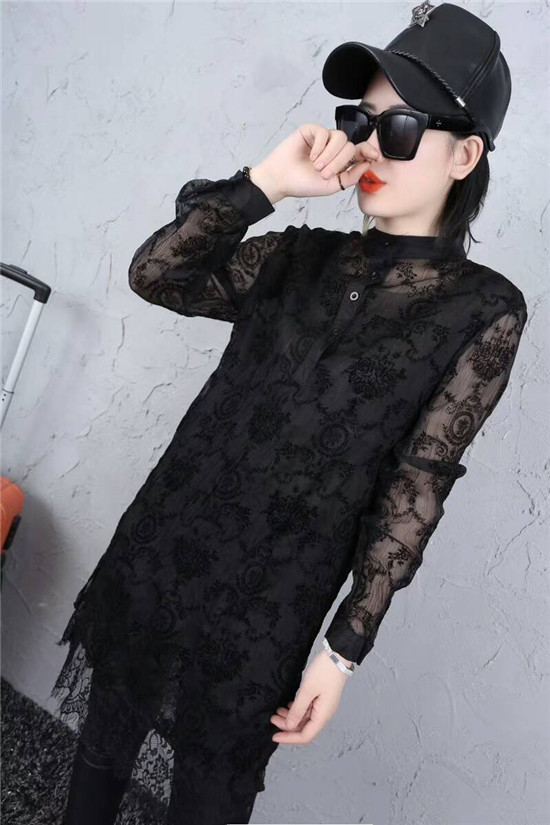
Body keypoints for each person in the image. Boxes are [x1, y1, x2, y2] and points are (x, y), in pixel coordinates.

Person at [52, 3, 528, 823]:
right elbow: (157, 274)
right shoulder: (298, 253)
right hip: (160, 547)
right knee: (96, 761)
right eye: (360, 121)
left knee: (207, 799)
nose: (367, 146)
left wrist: (343, 649)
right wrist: (267, 183)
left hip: (269, 605)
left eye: (400, 127)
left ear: (465, 153)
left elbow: (415, 490)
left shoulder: (483, 311)